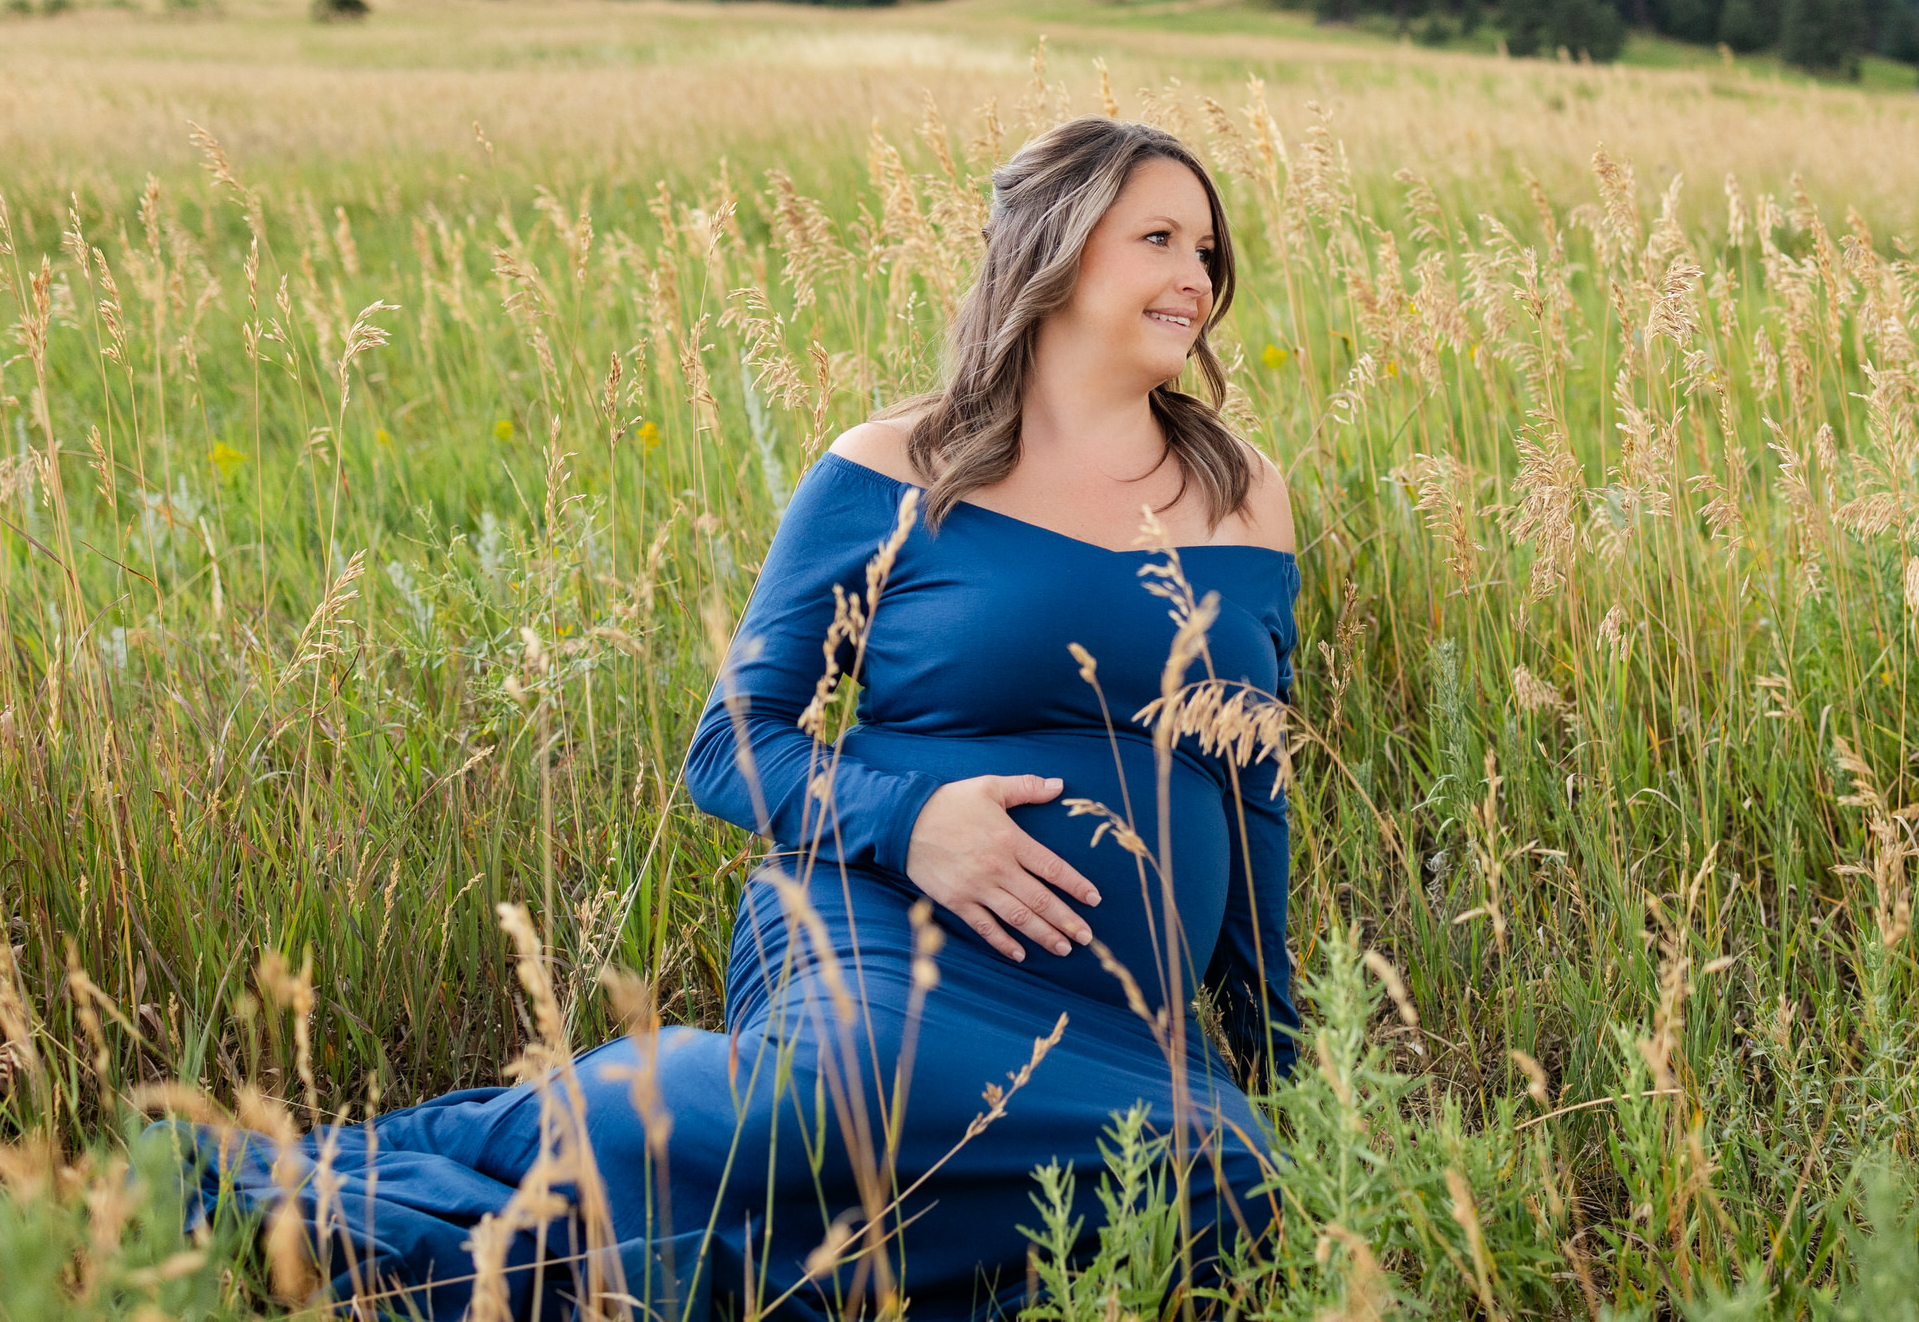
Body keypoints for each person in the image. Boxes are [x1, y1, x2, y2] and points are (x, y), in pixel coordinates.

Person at [180, 117, 1302, 1320]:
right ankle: (482, 1145)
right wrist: (914, 820)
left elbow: (1254, 800)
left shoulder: (1242, 493)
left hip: (1118, 1014)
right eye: (1158, 239)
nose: (1196, 277)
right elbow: (731, 743)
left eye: (1206, 249)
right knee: (831, 1109)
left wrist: (1284, 1067)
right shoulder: (894, 469)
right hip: (892, 933)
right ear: (1057, 251)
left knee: (1234, 1187)